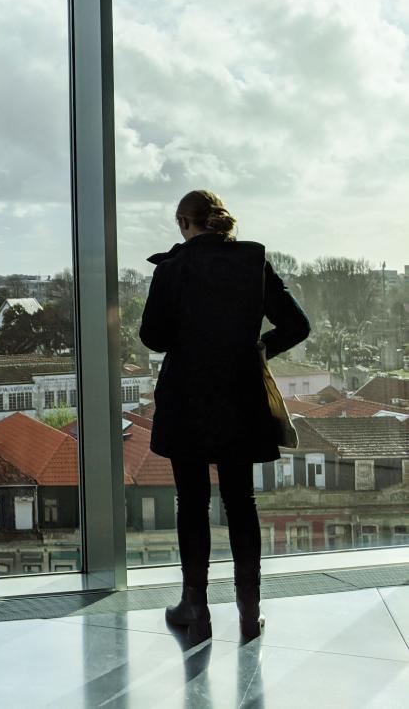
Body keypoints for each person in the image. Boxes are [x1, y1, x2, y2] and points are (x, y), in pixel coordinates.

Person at [140, 189, 309, 644]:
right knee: (241, 503)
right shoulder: (253, 263)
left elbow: (153, 337)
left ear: (183, 222)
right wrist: (257, 348)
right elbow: (297, 324)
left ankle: (195, 606)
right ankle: (249, 610)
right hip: (240, 395)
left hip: (187, 397)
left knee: (191, 503)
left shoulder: (173, 268)